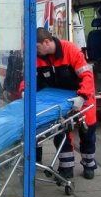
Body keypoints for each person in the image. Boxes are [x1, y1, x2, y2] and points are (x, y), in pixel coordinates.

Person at [36, 27, 97, 180]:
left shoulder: (70, 50)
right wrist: (24, 90)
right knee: (60, 133)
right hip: (59, 101)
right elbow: (30, 77)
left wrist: (82, 96)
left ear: (46, 42)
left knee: (87, 132)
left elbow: (87, 76)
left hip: (81, 97)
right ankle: (66, 167)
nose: (36, 51)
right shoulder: (39, 56)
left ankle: (89, 164)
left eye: (37, 47)